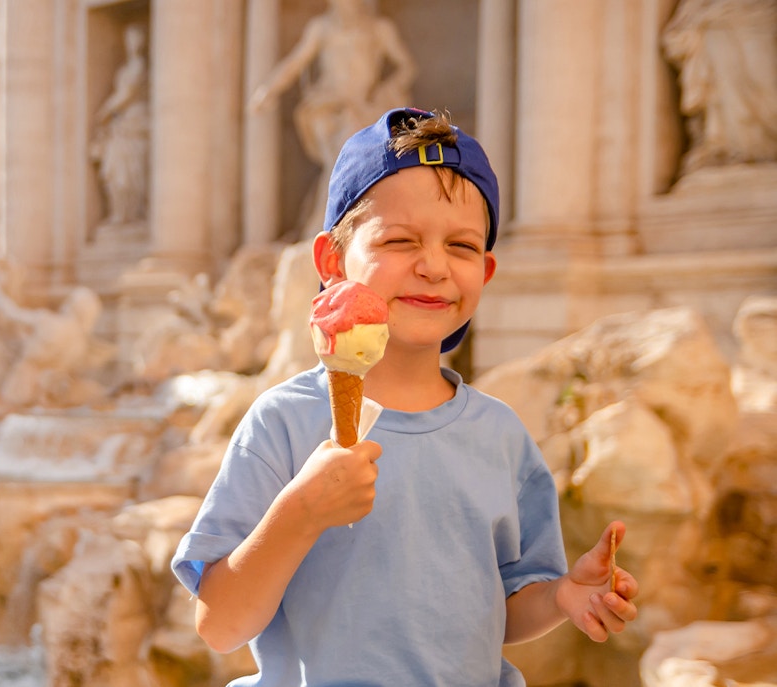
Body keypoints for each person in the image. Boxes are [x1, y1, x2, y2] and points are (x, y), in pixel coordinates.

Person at [171, 107, 639, 685]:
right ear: (332, 262)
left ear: (486, 272)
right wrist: (300, 513)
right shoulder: (284, 423)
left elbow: (502, 610)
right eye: (400, 240)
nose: (435, 266)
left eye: (462, 247)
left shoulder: (501, 436)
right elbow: (219, 625)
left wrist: (565, 596)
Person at [249, 0, 415, 235]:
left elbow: (406, 67)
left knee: (346, 162)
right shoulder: (322, 27)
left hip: (363, 107)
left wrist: (385, 90)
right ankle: (328, 228)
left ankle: (326, 226)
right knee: (341, 161)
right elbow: (296, 62)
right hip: (327, 106)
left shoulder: (379, 28)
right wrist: (269, 89)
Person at [661, 0, 777, 175]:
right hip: (717, 27)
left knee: (763, 84)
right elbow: (681, 27)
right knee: (724, 95)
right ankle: (732, 148)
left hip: (760, 21)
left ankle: (766, 144)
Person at [90, 23, 151, 228]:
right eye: (129, 38)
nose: (133, 43)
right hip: (121, 124)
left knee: (132, 171)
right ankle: (120, 212)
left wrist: (104, 113)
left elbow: (127, 94)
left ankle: (132, 212)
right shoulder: (126, 68)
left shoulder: (140, 66)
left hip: (135, 122)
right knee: (114, 171)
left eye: (137, 38)